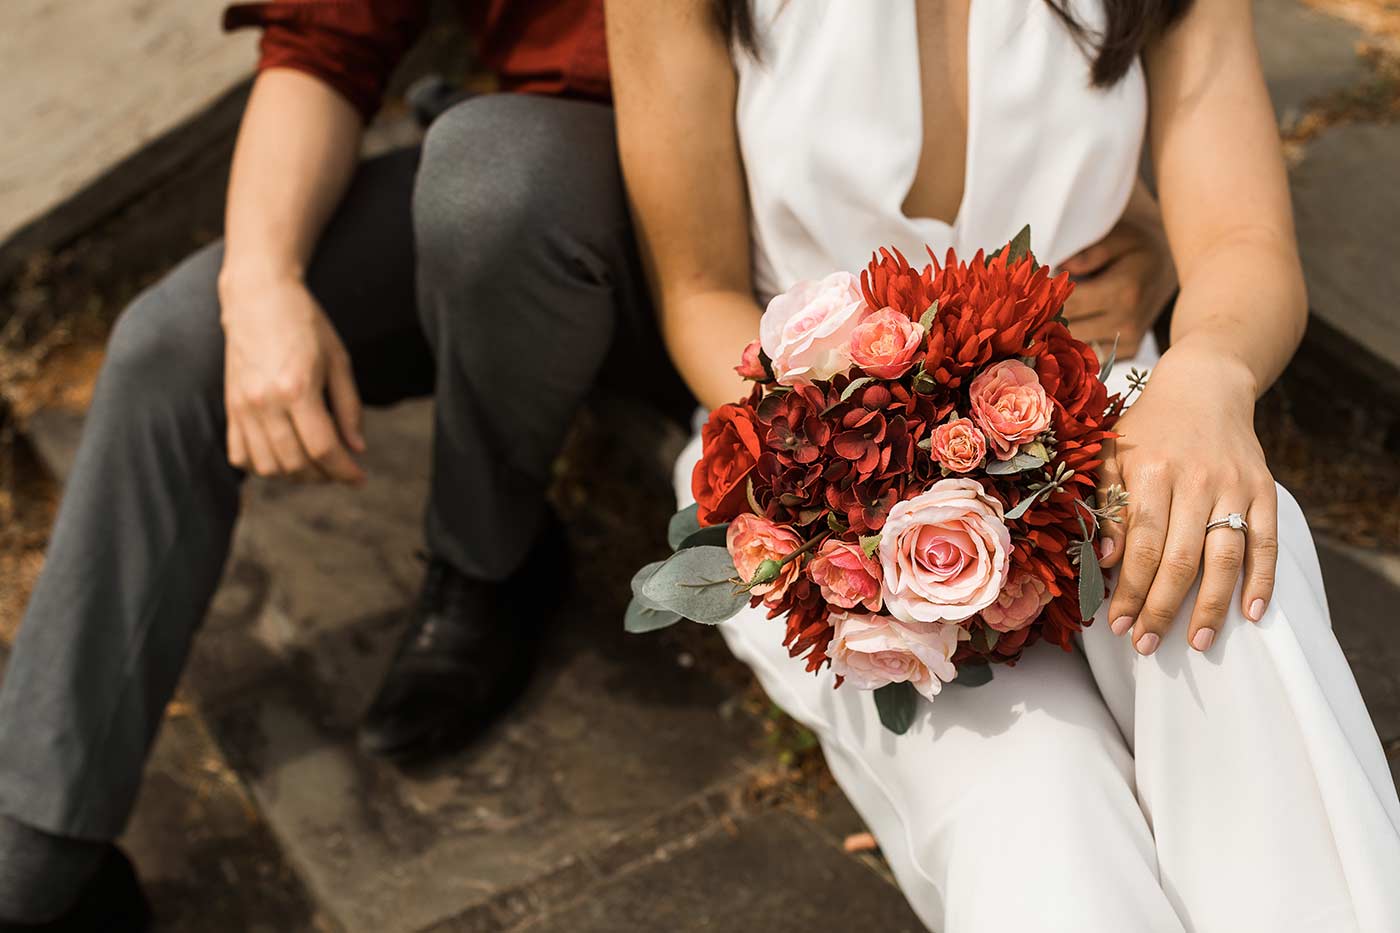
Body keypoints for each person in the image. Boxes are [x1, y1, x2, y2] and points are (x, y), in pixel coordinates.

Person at [0, 0, 1174, 928]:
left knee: (499, 180)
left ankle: (482, 552)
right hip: (546, 202)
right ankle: (34, 847)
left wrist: (1164, 225)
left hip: (780, 258)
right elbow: (322, 38)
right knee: (176, 343)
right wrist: (259, 282)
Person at [608, 0, 1400, 930]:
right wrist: (862, 481)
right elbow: (698, 291)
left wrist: (1210, 374)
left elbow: (1244, 241)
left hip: (1102, 406)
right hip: (829, 476)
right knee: (1036, 802)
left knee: (1219, 595)